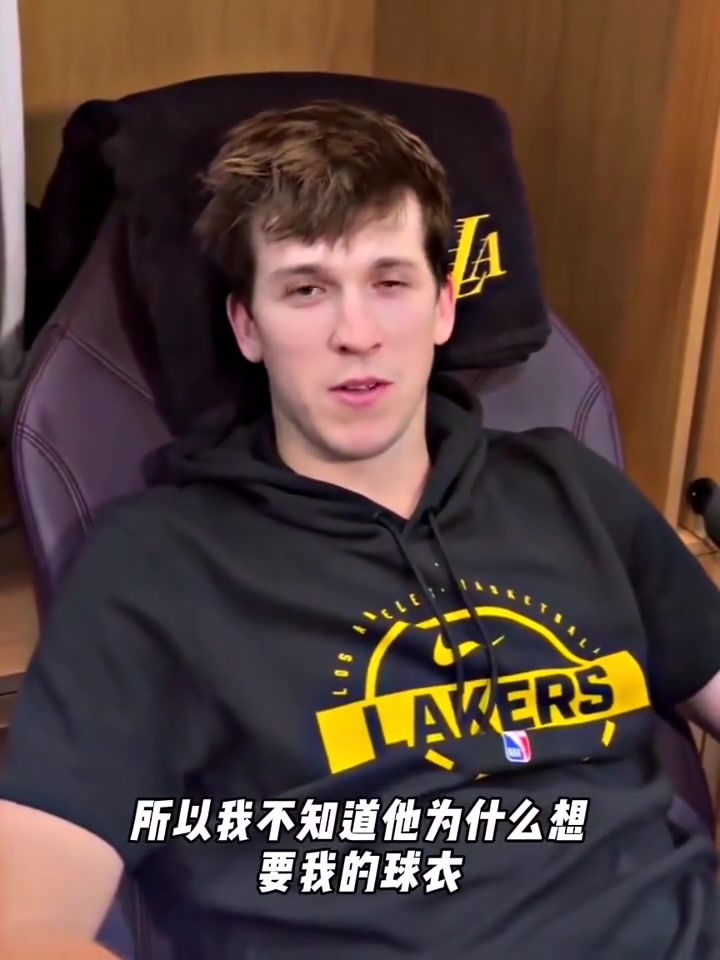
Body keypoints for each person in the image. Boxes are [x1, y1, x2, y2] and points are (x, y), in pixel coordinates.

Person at [0, 100, 719, 960]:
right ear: (247, 326)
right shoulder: (156, 568)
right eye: (306, 289)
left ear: (444, 306)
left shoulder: (571, 491)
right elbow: (24, 920)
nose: (357, 334)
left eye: (390, 282)